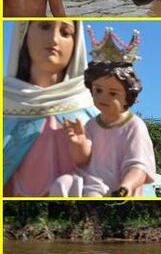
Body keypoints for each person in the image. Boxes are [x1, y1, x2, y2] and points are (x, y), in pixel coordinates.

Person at [49, 29, 155, 197]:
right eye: (98, 90)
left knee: (93, 195)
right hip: (90, 180)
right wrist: (79, 142)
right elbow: (83, 161)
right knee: (61, 184)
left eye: (113, 93)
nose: (103, 97)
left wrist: (125, 187)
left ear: (128, 97)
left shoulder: (134, 126)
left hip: (119, 185)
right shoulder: (92, 124)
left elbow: (139, 166)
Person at [3, 21, 99, 196]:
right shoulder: (6, 104)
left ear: (76, 43)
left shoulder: (93, 114)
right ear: (24, 33)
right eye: (44, 26)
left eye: (65, 32)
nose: (54, 39)